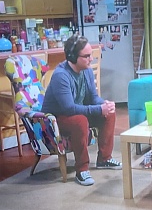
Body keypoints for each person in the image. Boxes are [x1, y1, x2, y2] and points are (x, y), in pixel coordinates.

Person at [42, 36, 120, 186]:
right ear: (73, 57)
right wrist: (99, 109)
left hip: (74, 113)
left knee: (109, 113)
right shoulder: (61, 76)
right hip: (55, 119)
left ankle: (104, 159)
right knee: (80, 121)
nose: (91, 59)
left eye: (91, 54)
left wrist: (104, 105)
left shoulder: (86, 70)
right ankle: (82, 169)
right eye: (87, 56)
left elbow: (93, 97)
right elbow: (69, 108)